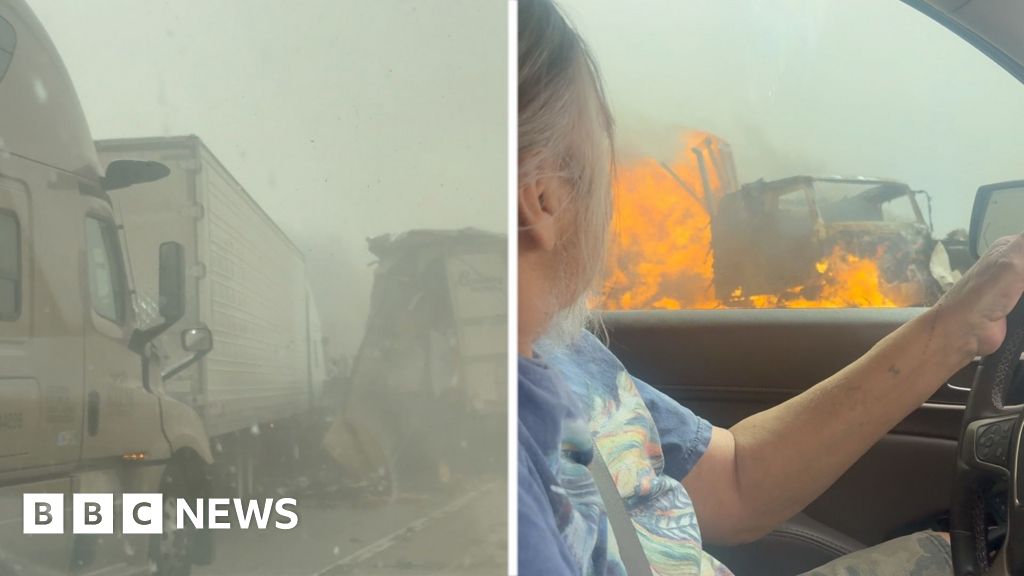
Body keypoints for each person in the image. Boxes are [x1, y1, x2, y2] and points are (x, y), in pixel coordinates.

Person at [516, 0, 1024, 574]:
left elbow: (734, 482)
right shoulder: (489, 451)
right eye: (600, 147)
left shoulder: (567, 350)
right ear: (544, 196)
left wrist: (956, 325)